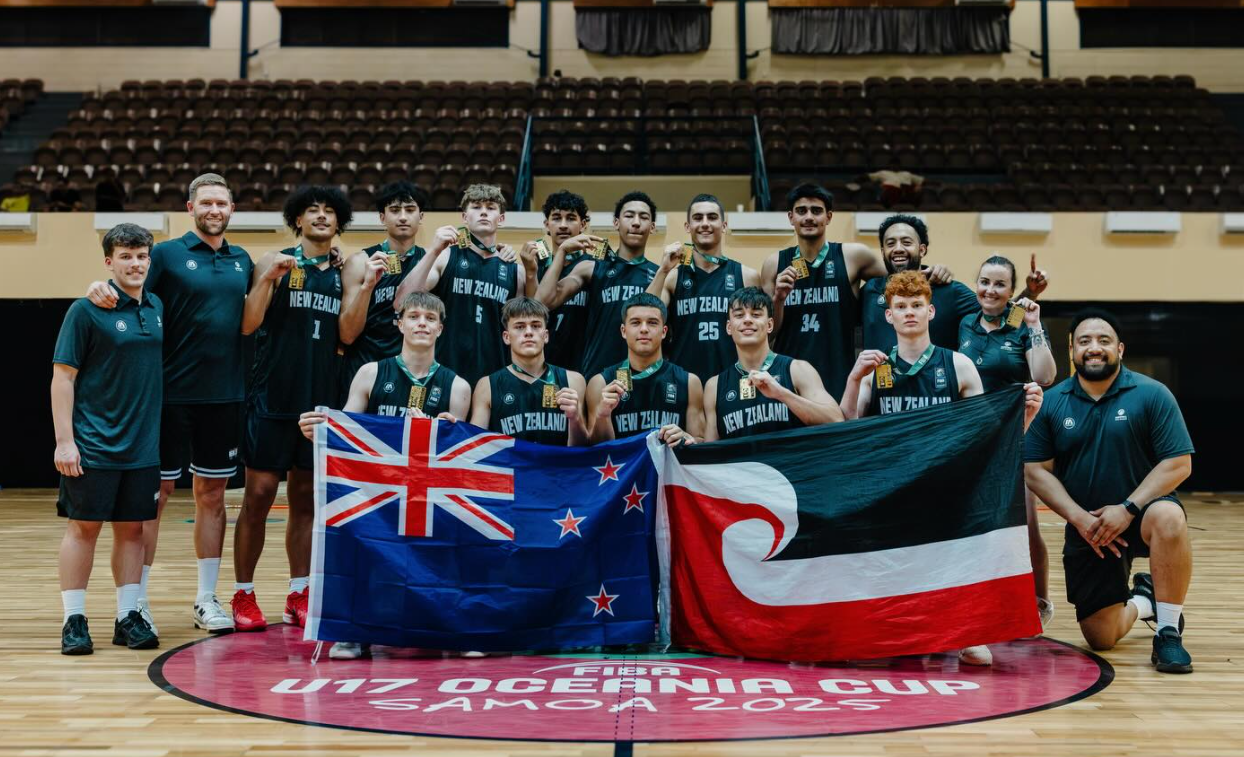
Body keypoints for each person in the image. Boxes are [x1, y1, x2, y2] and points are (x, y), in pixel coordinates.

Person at [841, 271, 1045, 667]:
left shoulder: (958, 364)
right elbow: (847, 430)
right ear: (889, 316)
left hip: (946, 486)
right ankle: (896, 630)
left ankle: (968, 631)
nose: (910, 312)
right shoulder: (876, 369)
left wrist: (1024, 418)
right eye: (901, 306)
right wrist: (852, 378)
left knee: (961, 553)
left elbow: (985, 435)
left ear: (931, 311)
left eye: (917, 305)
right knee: (893, 563)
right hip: (893, 489)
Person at [84, 173, 253, 635]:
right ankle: (136, 603)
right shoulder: (166, 254)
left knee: (212, 496)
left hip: (224, 396)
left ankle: (206, 598)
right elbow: (129, 289)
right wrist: (98, 287)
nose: (214, 210)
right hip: (167, 398)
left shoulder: (242, 260)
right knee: (154, 499)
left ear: (232, 209)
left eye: (222, 203)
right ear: (190, 207)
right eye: (206, 203)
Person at [298, 290, 470, 660]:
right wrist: (320, 431)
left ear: (441, 328)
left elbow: (457, 458)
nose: (421, 323)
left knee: (438, 551)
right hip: (375, 489)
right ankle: (354, 630)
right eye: (414, 317)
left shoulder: (457, 385)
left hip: (425, 494)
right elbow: (346, 429)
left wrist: (445, 430)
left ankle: (439, 626)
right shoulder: (371, 372)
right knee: (357, 542)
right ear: (399, 324)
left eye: (430, 318)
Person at [1024, 310, 1195, 674]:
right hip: (1090, 527)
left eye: (1103, 340)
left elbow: (1179, 464)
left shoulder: (1152, 394)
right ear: (1072, 350)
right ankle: (1145, 600)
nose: (1094, 348)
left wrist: (1128, 508)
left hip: (1141, 513)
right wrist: (1079, 519)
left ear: (1120, 348)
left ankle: (1168, 633)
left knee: (1169, 516)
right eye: (1084, 341)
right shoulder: (1052, 402)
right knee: (1101, 636)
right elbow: (1035, 471)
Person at [231, 185, 352, 632]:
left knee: (305, 500)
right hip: (272, 397)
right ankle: (243, 593)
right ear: (297, 220)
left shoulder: (343, 271)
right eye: (311, 210)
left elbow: (348, 335)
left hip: (318, 400)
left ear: (338, 223)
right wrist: (268, 278)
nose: (321, 216)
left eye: (329, 211)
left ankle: (299, 591)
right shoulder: (274, 260)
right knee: (258, 496)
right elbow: (248, 324)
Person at [53, 223, 164, 654]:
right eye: (125, 256)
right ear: (108, 262)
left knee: (132, 530)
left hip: (143, 446)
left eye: (141, 256)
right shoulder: (85, 310)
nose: (135, 264)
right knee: (84, 529)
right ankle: (74, 619)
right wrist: (65, 442)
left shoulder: (155, 306)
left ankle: (127, 617)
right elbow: (63, 379)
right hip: (94, 444)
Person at [959, 254, 1058, 627]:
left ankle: (1040, 601)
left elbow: (1044, 376)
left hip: (1015, 436)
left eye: (1000, 284)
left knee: (1026, 524)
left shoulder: (1020, 324)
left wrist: (1035, 324)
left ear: (1011, 290)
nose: (990, 290)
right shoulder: (965, 323)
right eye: (985, 282)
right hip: (972, 439)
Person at [394, 184, 534, 386]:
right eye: (476, 207)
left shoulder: (515, 270)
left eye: (491, 207)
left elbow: (522, 329)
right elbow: (401, 302)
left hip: (495, 374)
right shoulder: (445, 256)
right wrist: (433, 250)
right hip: (446, 371)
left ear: (501, 219)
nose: (483, 212)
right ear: (465, 217)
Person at [761, 183, 890, 401]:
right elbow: (767, 334)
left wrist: (931, 272)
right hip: (788, 377)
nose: (809, 217)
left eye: (816, 211)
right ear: (791, 217)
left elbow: (899, 282)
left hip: (839, 373)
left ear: (829, 217)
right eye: (801, 211)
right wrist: (779, 299)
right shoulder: (774, 264)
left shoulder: (854, 256)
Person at [859, 214, 1050, 353]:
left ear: (922, 249)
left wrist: (1030, 293)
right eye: (890, 243)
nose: (898, 248)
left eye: (906, 242)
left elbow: (1005, 316)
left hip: (936, 393)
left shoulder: (949, 290)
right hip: (880, 394)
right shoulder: (870, 291)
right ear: (882, 251)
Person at [536, 191, 661, 379]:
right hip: (597, 375)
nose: (636, 222)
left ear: (652, 227)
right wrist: (562, 251)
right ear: (616, 223)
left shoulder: (660, 274)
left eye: (643, 217)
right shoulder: (591, 267)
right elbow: (542, 303)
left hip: (643, 375)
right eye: (629, 216)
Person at [703, 287, 843, 441]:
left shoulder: (798, 370)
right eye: (739, 315)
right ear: (729, 327)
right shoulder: (714, 387)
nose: (747, 320)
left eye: (756, 314)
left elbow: (836, 419)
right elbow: (710, 450)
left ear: (770, 325)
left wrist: (781, 394)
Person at [646, 194, 760, 381]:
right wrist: (663, 270)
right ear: (687, 226)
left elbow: (763, 335)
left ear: (724, 226)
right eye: (698, 218)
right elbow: (644, 314)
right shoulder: (673, 277)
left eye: (712, 217)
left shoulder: (747, 276)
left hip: (733, 380)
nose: (705, 223)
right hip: (683, 381)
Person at [337, 181, 430, 404]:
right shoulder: (359, 262)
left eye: (410, 210)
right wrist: (367, 286)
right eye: (395, 210)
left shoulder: (433, 262)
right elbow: (347, 335)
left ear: (421, 216)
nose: (403, 217)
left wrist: (502, 251)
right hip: (365, 368)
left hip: (414, 374)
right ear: (382, 217)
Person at [587, 292, 704, 446]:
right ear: (623, 331)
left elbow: (701, 444)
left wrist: (686, 437)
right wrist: (603, 415)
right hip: (624, 463)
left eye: (652, 323)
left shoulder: (689, 382)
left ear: (664, 331)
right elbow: (594, 450)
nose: (644, 329)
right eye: (635, 322)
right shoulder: (600, 383)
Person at [470, 297, 589, 447]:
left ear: (546, 335)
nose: (528, 332)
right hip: (510, 463)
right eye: (519, 327)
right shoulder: (487, 386)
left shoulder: (574, 381)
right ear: (506, 337)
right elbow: (474, 448)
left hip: (557, 463)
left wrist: (575, 418)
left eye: (536, 326)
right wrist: (448, 427)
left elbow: (584, 450)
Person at [535, 190, 593, 371]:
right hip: (542, 365)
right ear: (546, 225)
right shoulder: (536, 266)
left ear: (583, 225)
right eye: (556, 218)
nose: (563, 225)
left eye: (570, 218)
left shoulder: (594, 267)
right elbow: (536, 309)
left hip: (583, 367)